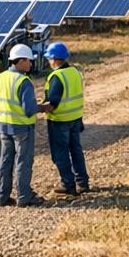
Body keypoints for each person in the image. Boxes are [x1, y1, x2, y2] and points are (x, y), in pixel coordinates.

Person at [0, 44, 43, 208]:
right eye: (29, 61)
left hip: (5, 126)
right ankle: (24, 196)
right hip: (22, 128)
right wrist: (42, 107)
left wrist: (9, 108)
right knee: (23, 162)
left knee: (5, 161)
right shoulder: (23, 81)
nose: (31, 64)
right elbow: (29, 110)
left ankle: (2, 196)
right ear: (20, 61)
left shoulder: (0, 77)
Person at [37, 41, 89, 196]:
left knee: (60, 153)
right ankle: (83, 183)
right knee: (76, 150)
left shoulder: (56, 76)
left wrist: (36, 108)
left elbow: (52, 103)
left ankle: (68, 184)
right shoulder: (75, 72)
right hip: (76, 118)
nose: (48, 61)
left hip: (59, 121)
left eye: (49, 58)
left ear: (53, 59)